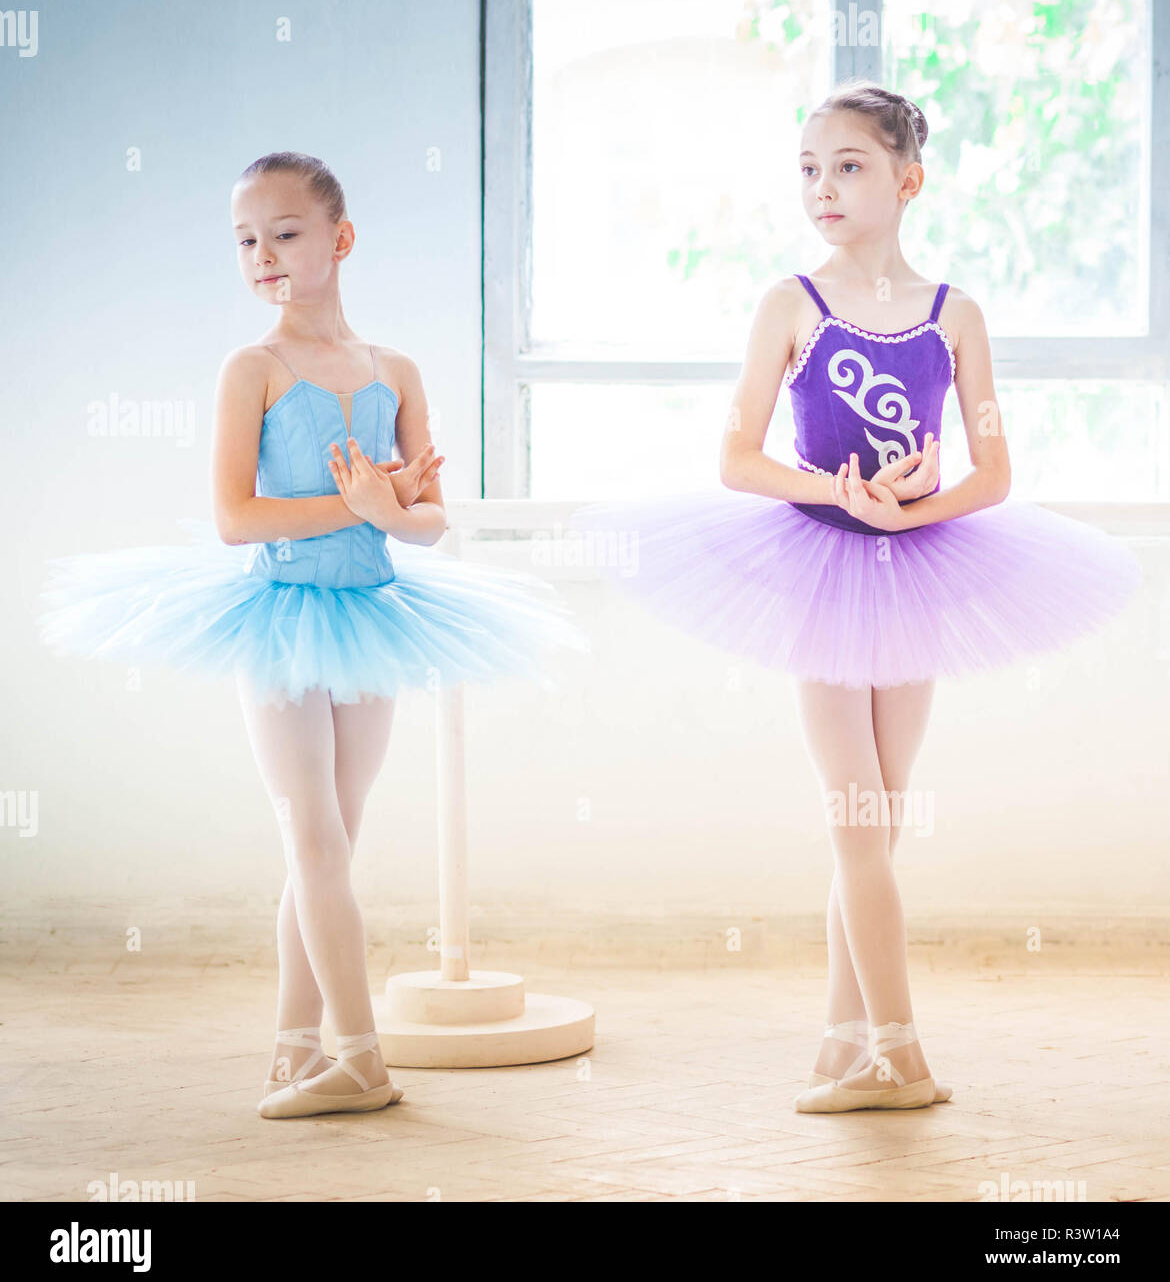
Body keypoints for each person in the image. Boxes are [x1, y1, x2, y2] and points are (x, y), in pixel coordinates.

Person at [572, 80, 1142, 1113]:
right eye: (808, 168)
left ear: (907, 179)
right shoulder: (790, 303)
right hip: (819, 572)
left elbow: (994, 473)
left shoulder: (955, 314)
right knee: (856, 821)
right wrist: (837, 493)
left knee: (873, 827)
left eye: (848, 166)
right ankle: (898, 1052)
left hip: (917, 573)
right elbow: (738, 458)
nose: (822, 187)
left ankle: (848, 1038)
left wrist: (915, 510)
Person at [38, 151, 588, 1120]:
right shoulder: (251, 368)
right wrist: (355, 505)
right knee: (313, 835)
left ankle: (296, 1047)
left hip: (372, 616)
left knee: (332, 840)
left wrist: (391, 505)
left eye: (285, 232)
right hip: (281, 616)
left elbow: (426, 520)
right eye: (246, 239)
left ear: (340, 240)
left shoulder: (396, 371)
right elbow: (235, 517)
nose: (263, 254)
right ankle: (361, 1058)